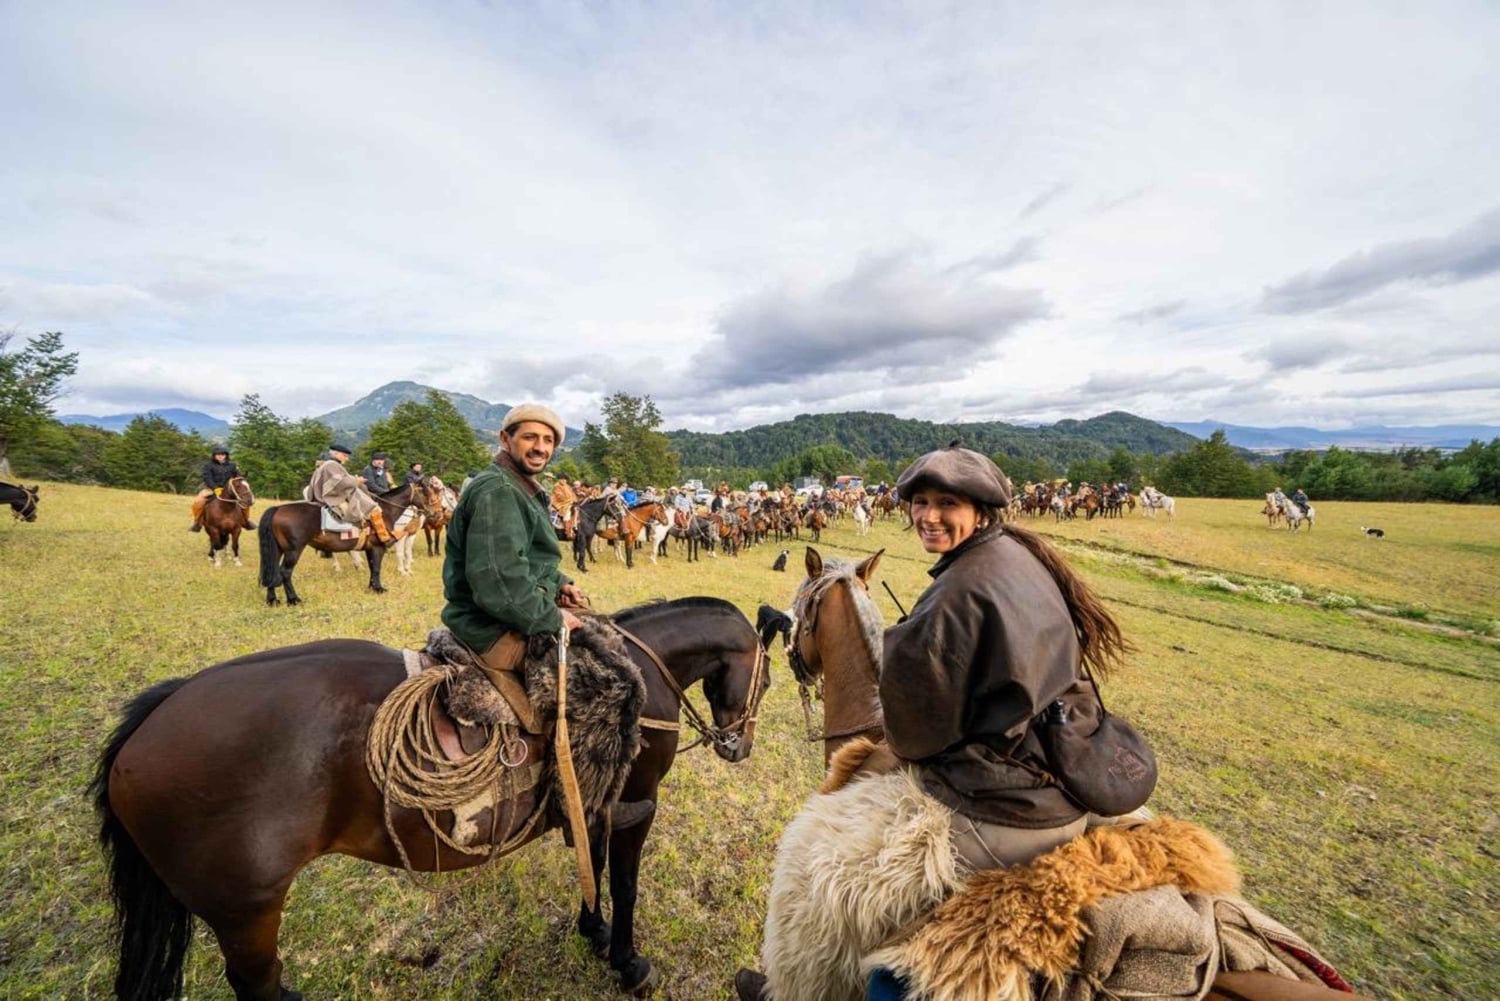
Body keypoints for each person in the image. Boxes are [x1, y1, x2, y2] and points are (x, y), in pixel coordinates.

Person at [735, 443, 1138, 1001]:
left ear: (980, 510)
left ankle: (798, 988)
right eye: (920, 502)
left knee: (817, 853)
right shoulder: (1020, 554)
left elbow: (916, 739)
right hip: (1060, 767)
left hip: (1010, 808)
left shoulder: (956, 592)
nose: (929, 516)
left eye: (947, 503)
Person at [441, 404, 653, 831]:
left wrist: (560, 583)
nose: (540, 447)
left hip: (510, 612)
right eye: (529, 438)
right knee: (609, 684)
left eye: (548, 440)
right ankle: (580, 807)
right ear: (506, 439)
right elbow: (498, 583)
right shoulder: (498, 491)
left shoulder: (521, 487)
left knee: (606, 640)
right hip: (491, 624)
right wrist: (550, 617)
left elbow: (527, 560)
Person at [307, 444, 396, 544]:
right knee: (373, 508)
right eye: (344, 456)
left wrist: (354, 480)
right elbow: (341, 483)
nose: (347, 459)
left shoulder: (328, 464)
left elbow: (340, 480)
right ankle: (383, 537)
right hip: (333, 497)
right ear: (336, 454)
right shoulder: (332, 465)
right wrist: (357, 480)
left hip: (334, 494)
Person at [189, 446, 255, 531]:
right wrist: (215, 488)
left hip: (229, 489)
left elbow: (237, 476)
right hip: (211, 489)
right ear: (214, 456)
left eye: (222, 454)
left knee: (244, 501)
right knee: (198, 501)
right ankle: (197, 522)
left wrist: (241, 477)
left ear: (226, 455)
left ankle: (247, 521)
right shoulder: (208, 466)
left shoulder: (232, 465)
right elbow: (207, 478)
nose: (220, 456)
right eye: (218, 454)